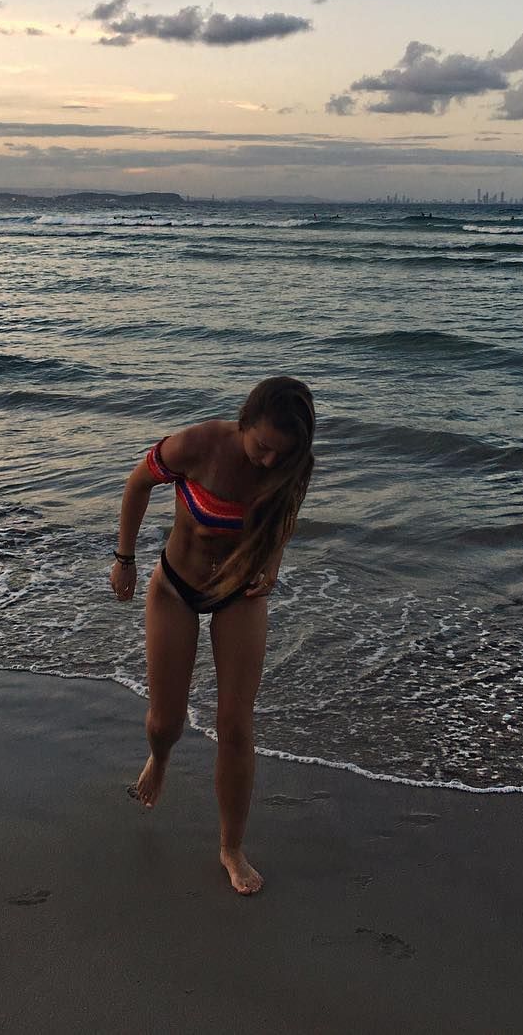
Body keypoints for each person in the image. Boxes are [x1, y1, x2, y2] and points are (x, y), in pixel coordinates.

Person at [109, 376, 316, 895]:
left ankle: (231, 848)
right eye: (262, 447)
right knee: (166, 721)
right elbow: (137, 484)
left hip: (240, 594)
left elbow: (284, 516)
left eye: (281, 454)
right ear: (244, 423)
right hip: (175, 589)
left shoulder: (292, 466)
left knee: (236, 726)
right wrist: (125, 559)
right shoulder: (198, 444)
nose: (269, 461)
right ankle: (160, 757)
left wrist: (272, 564)